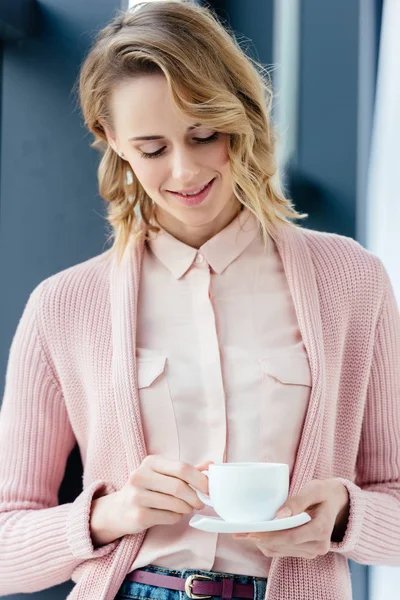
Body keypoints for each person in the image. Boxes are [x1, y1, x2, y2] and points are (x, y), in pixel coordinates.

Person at [0, 1, 399, 599]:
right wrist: (110, 514)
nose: (184, 172)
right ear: (111, 140)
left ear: (240, 118)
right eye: (153, 148)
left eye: (204, 135)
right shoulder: (63, 306)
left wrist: (345, 515)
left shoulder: (350, 279)